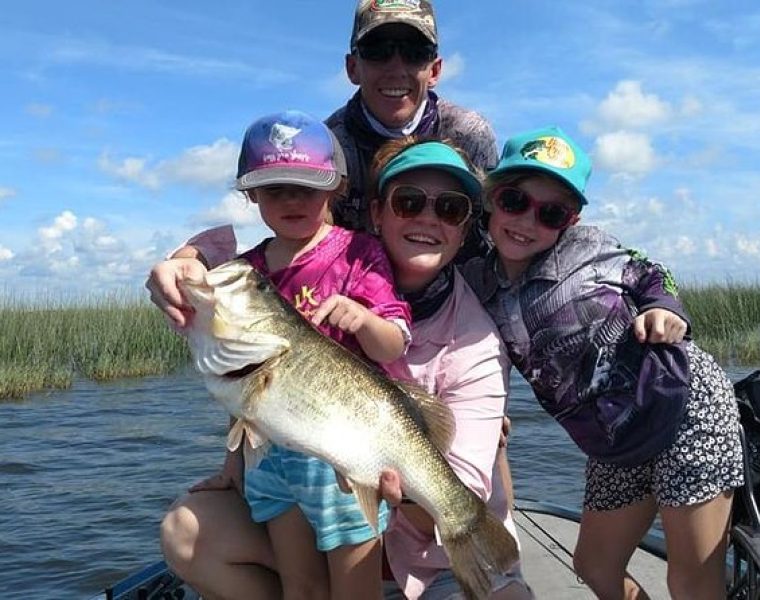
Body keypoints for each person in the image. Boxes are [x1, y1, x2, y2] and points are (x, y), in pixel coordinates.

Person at [149, 137, 531, 599]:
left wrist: (404, 486)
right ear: (376, 212)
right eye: (409, 202)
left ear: (467, 227)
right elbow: (236, 266)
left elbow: (461, 488)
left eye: (450, 208)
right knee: (192, 534)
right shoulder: (328, 263)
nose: (428, 218)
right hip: (301, 496)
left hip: (429, 561)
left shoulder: (478, 343)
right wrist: (182, 261)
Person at [459, 125, 745, 599]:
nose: (527, 221)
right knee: (594, 566)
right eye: (514, 201)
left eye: (550, 213)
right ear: (491, 198)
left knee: (691, 581)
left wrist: (664, 309)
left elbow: (651, 273)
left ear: (569, 221)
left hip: (685, 410)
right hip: (615, 444)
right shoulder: (474, 280)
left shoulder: (590, 246)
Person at [162, 108, 412, 599]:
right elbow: (240, 379)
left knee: (354, 587)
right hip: (269, 459)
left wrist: (365, 321)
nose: (292, 199)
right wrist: (232, 465)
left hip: (341, 458)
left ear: (335, 188)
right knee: (302, 587)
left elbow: (397, 340)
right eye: (275, 189)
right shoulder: (246, 270)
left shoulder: (359, 253)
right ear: (251, 194)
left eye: (307, 187)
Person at [327, 0, 498, 261]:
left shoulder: (470, 134)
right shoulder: (327, 146)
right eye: (377, 50)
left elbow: (488, 239)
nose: (396, 69)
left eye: (415, 52)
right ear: (352, 68)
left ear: (435, 70)